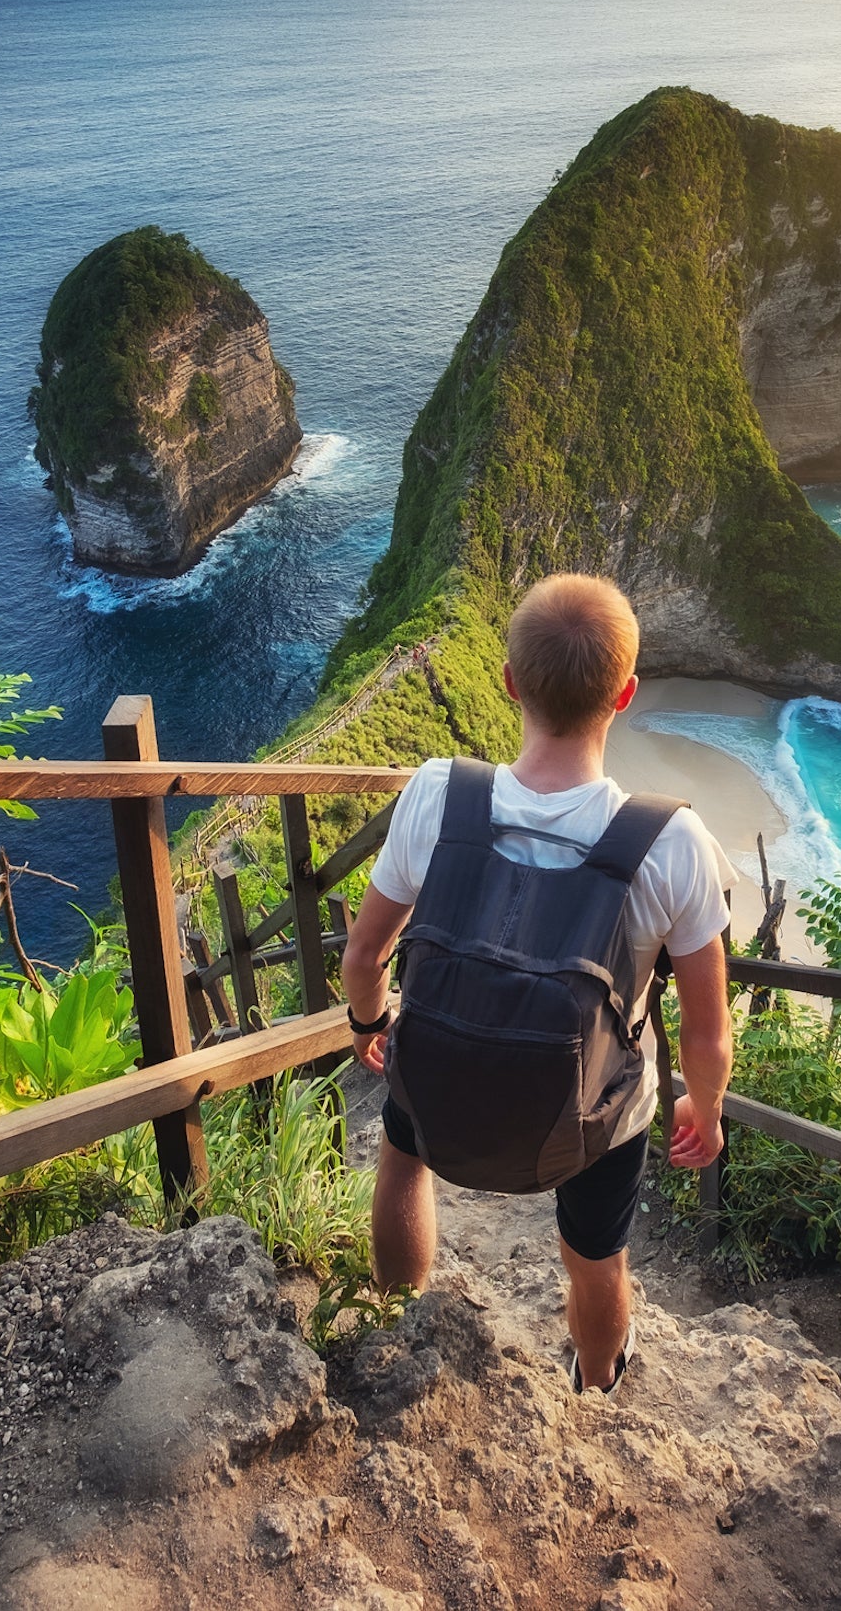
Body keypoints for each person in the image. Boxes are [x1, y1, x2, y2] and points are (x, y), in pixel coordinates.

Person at [341, 573, 734, 1393]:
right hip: (589, 1115)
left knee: (403, 1162)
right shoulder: (672, 842)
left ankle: (396, 1322)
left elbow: (365, 952)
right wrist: (704, 1104)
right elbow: (707, 1031)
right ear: (626, 693)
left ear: (511, 681)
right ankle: (596, 1385)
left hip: (440, 1071)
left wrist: (368, 1024)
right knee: (597, 1257)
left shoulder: (439, 794)